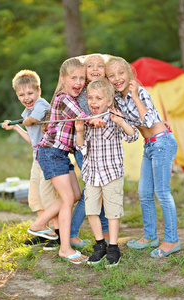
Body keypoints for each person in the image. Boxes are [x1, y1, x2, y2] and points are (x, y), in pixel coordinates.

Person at [27, 57, 105, 264]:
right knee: (68, 198)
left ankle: (39, 224)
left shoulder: (70, 96)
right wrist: (95, 119)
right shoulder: (63, 98)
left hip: (61, 154)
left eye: (81, 78)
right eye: (73, 78)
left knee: (75, 195)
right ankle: (64, 247)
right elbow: (80, 114)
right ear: (63, 79)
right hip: (51, 152)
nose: (78, 82)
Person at [106, 56, 180, 258]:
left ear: (129, 74)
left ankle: (172, 240)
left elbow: (148, 121)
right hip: (149, 145)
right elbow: (131, 136)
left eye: (121, 73)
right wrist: (119, 120)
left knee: (162, 192)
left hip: (162, 142)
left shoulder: (140, 92)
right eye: (111, 75)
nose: (117, 78)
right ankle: (150, 236)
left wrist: (136, 96)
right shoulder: (117, 101)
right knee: (144, 192)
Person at [75, 78, 139, 266]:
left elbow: (133, 136)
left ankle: (113, 247)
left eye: (98, 98)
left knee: (112, 211)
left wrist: (120, 122)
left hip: (111, 174)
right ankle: (99, 245)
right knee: (92, 210)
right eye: (90, 98)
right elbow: (81, 149)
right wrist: (79, 131)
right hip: (91, 174)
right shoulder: (85, 119)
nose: (94, 102)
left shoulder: (115, 118)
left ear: (109, 101)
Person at [1, 70, 59, 248]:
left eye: (30, 93)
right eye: (21, 94)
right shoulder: (26, 111)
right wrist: (15, 126)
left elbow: (33, 119)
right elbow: (31, 139)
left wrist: (24, 121)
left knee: (47, 197)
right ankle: (45, 231)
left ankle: (59, 234)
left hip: (48, 157)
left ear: (39, 91)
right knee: (35, 197)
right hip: (37, 158)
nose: (26, 97)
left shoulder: (41, 105)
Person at [70, 53, 110, 247]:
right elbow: (85, 115)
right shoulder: (83, 93)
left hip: (102, 150)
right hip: (85, 148)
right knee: (91, 191)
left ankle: (104, 230)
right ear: (84, 71)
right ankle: (70, 233)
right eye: (90, 66)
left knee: (100, 189)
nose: (95, 69)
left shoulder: (107, 90)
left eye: (100, 66)